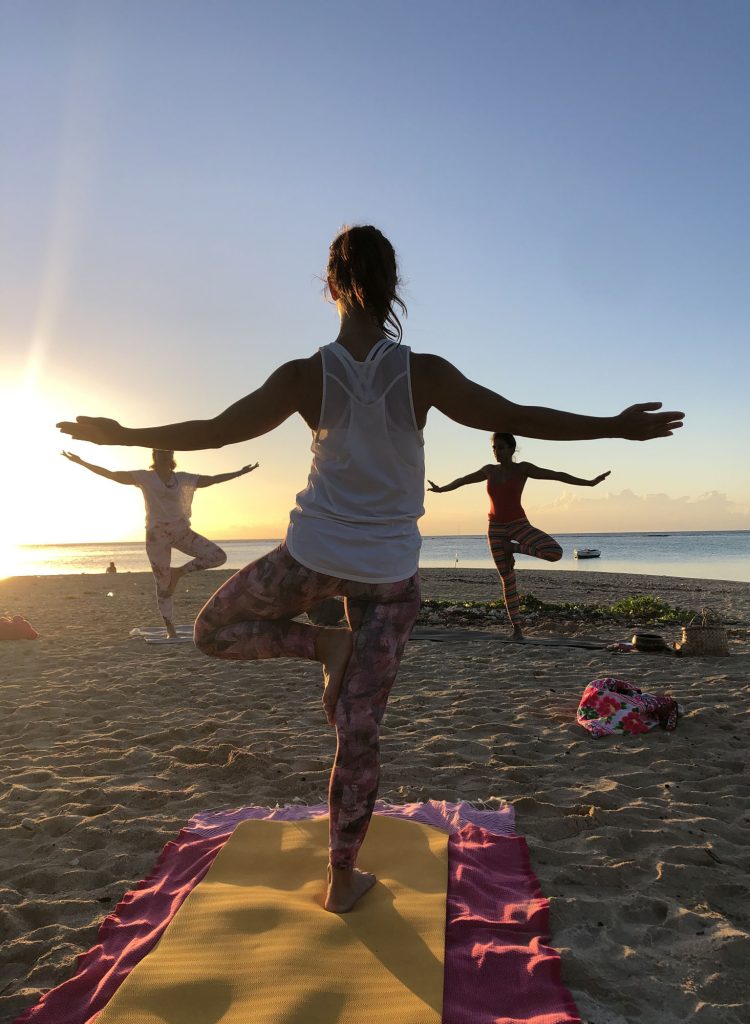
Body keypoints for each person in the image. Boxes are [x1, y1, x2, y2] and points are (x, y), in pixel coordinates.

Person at [58, 224, 683, 912]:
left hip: (310, 558)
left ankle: (321, 646)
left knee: (212, 630)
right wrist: (614, 426)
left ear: (329, 285)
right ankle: (340, 876)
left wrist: (125, 437)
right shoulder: (424, 372)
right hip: (389, 574)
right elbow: (517, 416)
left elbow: (213, 431)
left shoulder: (304, 375)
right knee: (358, 732)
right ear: (394, 286)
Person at [428, 433, 610, 640]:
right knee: (507, 579)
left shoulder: (523, 469)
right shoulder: (489, 471)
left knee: (555, 553)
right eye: (494, 448)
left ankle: (513, 549)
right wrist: (442, 489)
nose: (497, 452)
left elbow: (556, 474)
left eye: (502, 448)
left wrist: (588, 483)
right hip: (495, 529)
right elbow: (463, 480)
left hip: (519, 525)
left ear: (512, 449)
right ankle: (516, 628)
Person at [61, 449, 258, 638]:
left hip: (181, 531)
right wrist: (81, 461)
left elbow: (212, 479)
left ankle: (178, 572)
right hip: (157, 535)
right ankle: (169, 626)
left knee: (217, 556)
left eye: (167, 451)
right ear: (154, 455)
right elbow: (112, 475)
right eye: (159, 451)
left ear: (172, 455)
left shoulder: (182, 478)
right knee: (162, 583)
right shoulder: (144, 477)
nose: (164, 454)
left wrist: (240, 473)